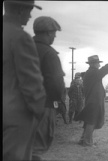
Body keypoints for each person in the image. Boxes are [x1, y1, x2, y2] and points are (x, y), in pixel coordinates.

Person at [3, 1, 46, 160]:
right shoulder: (20, 37)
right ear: (21, 9)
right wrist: (38, 112)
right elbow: (32, 84)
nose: (30, 15)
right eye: (29, 10)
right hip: (15, 118)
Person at [31, 16, 65, 160]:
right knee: (37, 148)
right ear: (48, 33)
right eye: (54, 33)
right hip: (44, 106)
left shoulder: (24, 47)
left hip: (19, 105)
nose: (55, 36)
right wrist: (60, 102)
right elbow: (56, 84)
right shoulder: (50, 54)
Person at [74, 54, 108, 147]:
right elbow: (106, 69)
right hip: (94, 101)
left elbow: (103, 70)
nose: (99, 65)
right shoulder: (93, 73)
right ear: (93, 64)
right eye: (98, 63)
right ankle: (87, 142)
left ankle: (83, 140)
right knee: (91, 121)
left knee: (88, 120)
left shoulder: (91, 73)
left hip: (92, 100)